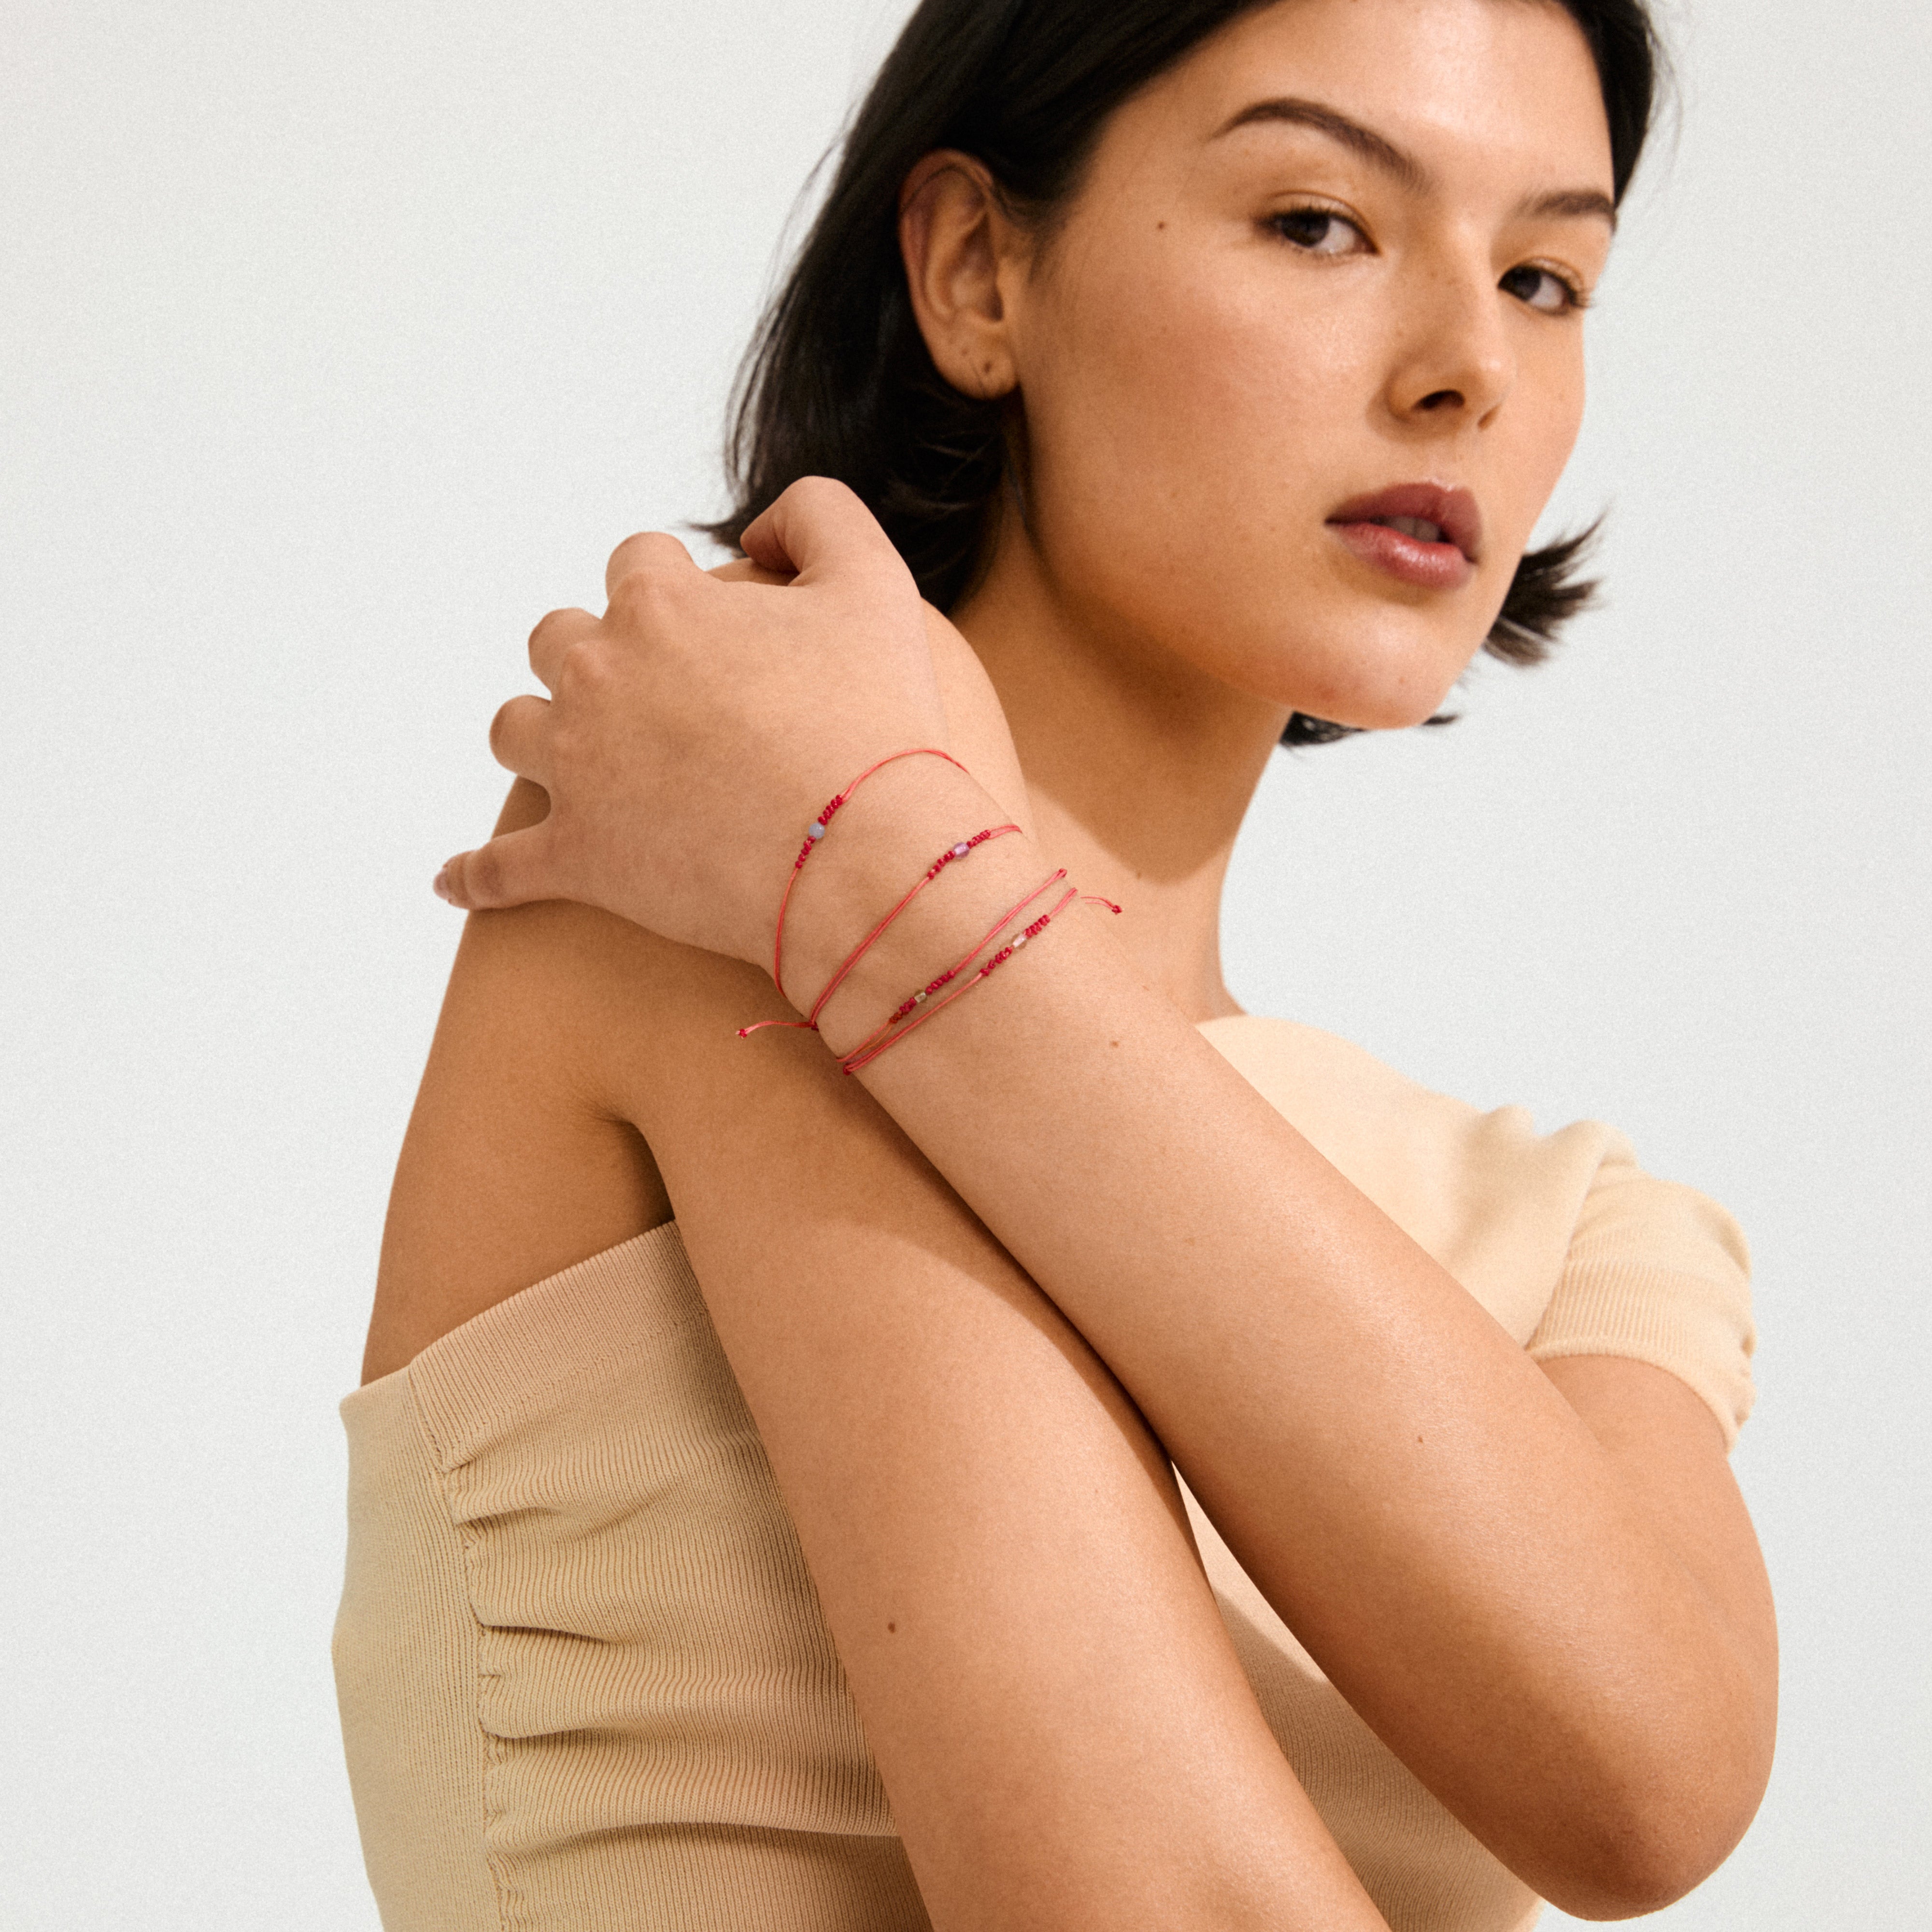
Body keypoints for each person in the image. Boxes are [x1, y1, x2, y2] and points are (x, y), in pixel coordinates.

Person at [334, 1, 1776, 1926]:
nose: (1467, 373)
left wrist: (898, 883)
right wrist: (845, 844)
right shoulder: (680, 888)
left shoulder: (1582, 1222)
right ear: (974, 269)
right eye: (1320, 222)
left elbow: (1650, 1789)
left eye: (1541, 277)